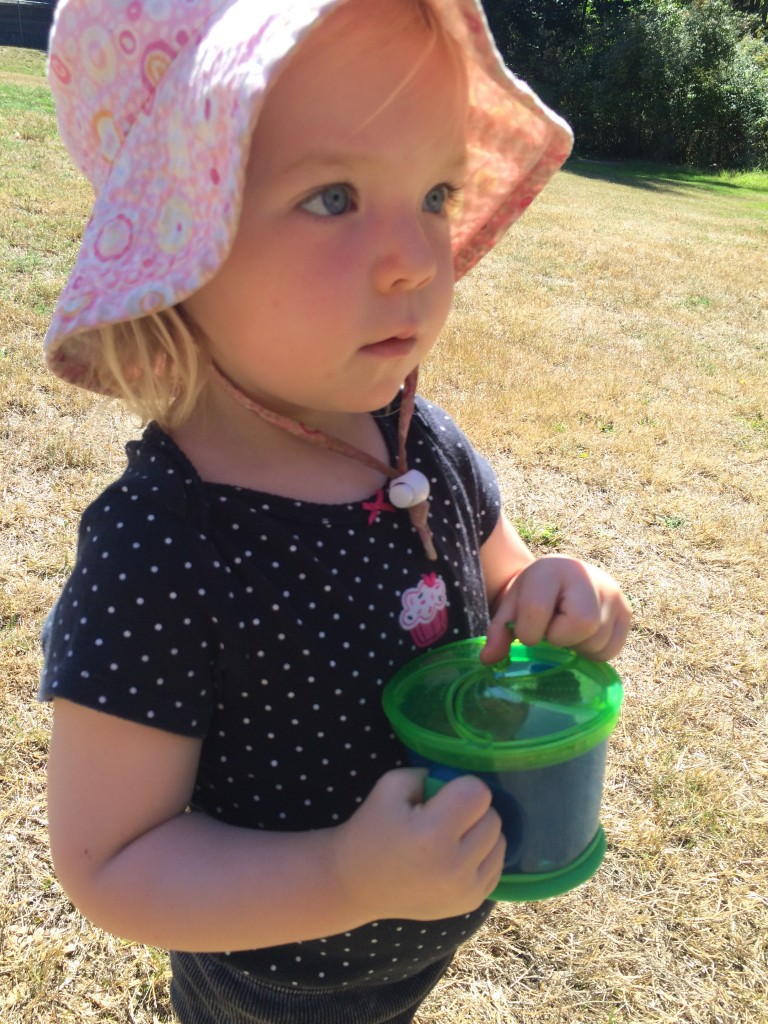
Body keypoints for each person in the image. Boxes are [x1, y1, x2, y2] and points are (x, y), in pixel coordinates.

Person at [39, 1, 632, 1021]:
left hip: (415, 951)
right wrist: (348, 879)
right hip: (269, 984)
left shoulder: (423, 448)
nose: (415, 258)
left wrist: (565, 595)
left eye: (436, 192)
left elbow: (508, 586)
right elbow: (112, 860)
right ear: (186, 242)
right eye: (333, 196)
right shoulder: (164, 544)